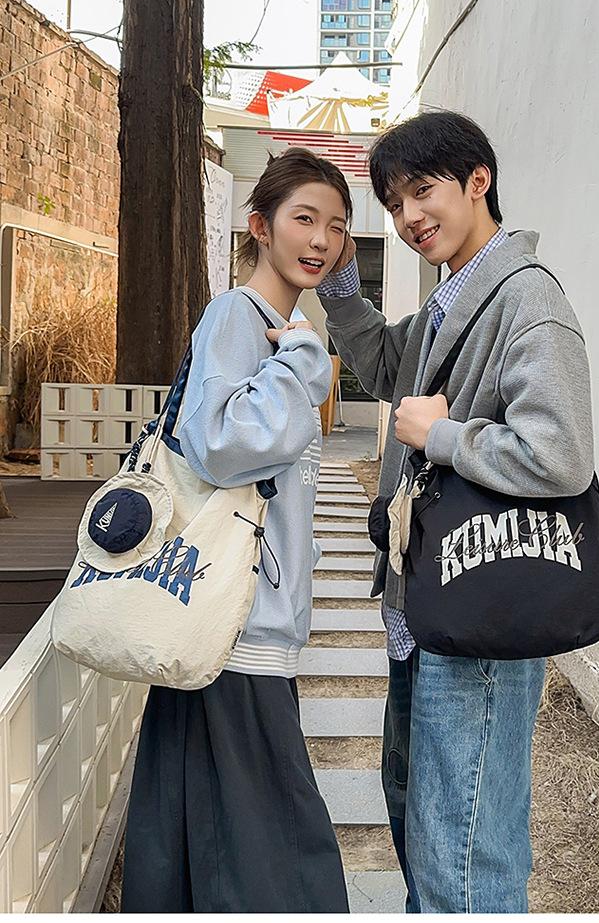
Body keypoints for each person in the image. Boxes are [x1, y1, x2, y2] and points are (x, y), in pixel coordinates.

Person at [316, 110, 595, 913]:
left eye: (423, 190)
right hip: (430, 606)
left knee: (466, 852)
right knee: (423, 823)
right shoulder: (455, 298)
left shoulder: (527, 299)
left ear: (479, 181)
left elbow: (560, 451)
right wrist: (342, 286)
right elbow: (386, 365)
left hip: (482, 614)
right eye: (395, 202)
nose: (409, 216)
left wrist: (443, 435)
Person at [121, 147, 353, 913]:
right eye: (305, 218)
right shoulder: (239, 318)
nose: (321, 240)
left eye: (337, 226)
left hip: (228, 618)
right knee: (278, 849)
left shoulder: (279, 326)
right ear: (260, 226)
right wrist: (303, 365)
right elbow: (218, 443)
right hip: (236, 624)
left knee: (207, 832)